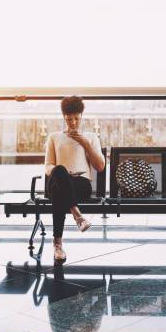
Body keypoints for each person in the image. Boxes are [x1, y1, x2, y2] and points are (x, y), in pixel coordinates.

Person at [44, 96, 105, 261]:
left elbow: (100, 166)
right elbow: (48, 166)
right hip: (58, 178)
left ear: (81, 117)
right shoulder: (54, 137)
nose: (72, 122)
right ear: (64, 118)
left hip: (81, 184)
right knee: (60, 172)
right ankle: (78, 215)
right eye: (69, 119)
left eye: (76, 118)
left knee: (58, 192)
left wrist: (85, 144)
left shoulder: (91, 137)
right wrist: (60, 171)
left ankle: (57, 245)